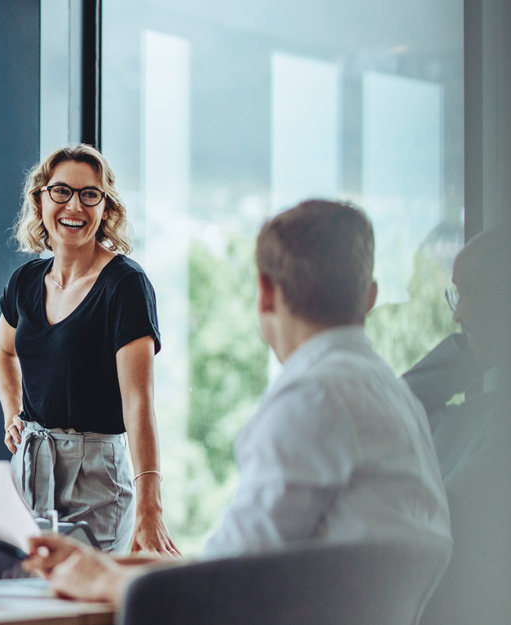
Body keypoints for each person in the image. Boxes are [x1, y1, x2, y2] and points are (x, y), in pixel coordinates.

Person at [24, 200, 451, 602]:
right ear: (370, 297)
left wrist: (99, 578)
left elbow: (225, 588)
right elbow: (242, 561)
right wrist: (110, 565)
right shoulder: (391, 394)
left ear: (264, 292)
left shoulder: (312, 399)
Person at [0, 144, 177, 554]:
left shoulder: (125, 285)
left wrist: (151, 506)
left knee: (86, 610)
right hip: (29, 467)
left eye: (89, 194)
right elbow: (4, 352)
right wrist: (12, 414)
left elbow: (139, 403)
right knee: (24, 602)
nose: (73, 205)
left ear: (106, 207)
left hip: (96, 476)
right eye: (61, 191)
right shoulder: (24, 282)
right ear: (40, 199)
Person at [403, 223, 511, 625]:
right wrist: (475, 348)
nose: (458, 313)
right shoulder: (483, 412)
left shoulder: (506, 426)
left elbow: (445, 513)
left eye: (474, 294)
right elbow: (401, 407)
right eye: (457, 294)